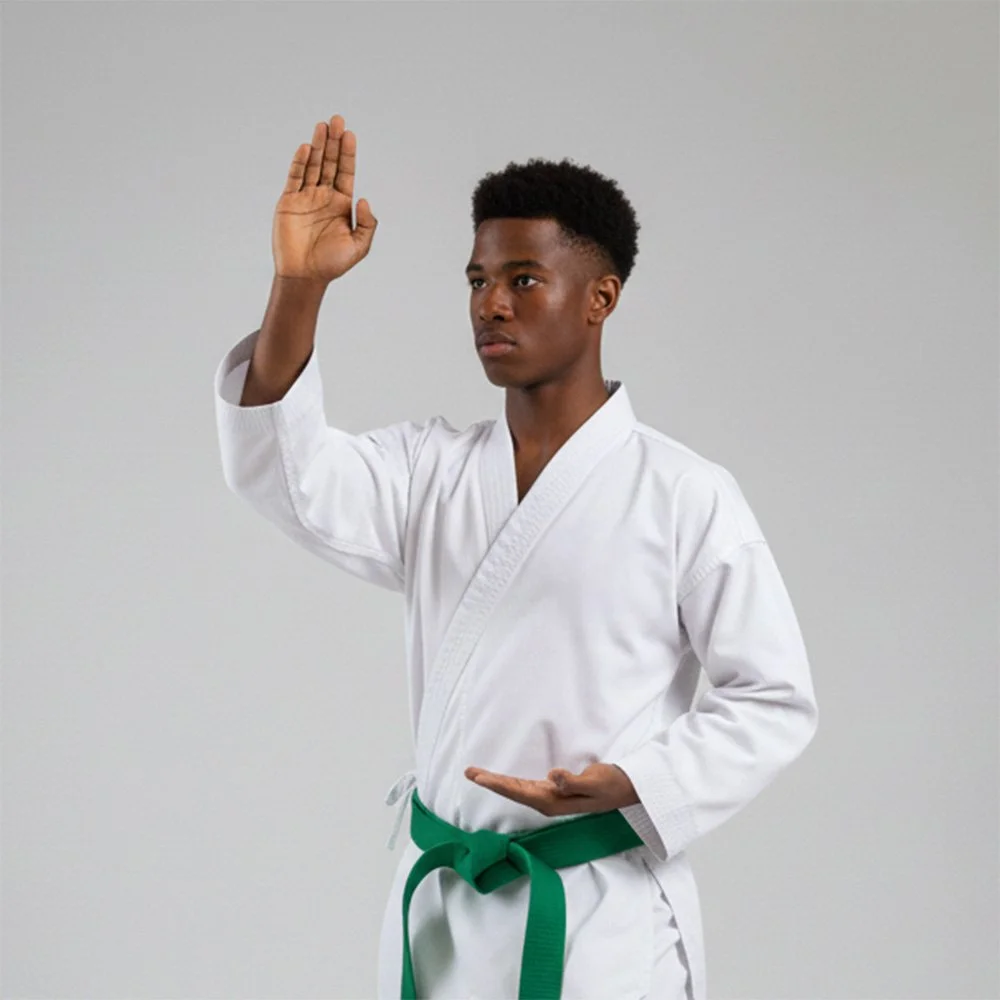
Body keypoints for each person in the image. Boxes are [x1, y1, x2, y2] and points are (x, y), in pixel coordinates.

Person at [213, 113, 819, 1000]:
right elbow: (286, 475)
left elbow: (775, 699)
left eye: (523, 280)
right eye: (478, 280)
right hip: (444, 909)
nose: (490, 304)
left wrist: (634, 780)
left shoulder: (684, 493)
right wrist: (297, 286)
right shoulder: (430, 472)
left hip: (597, 920)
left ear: (599, 298)